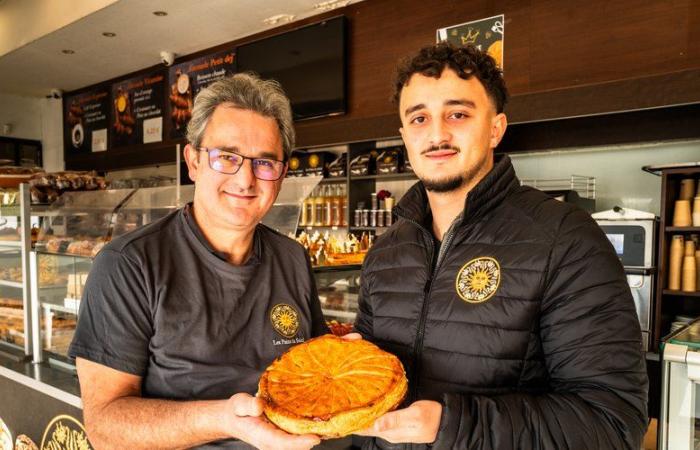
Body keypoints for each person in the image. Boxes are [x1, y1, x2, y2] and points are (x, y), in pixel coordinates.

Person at [353, 43, 648, 449]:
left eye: (458, 114)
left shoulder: (566, 238)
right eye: (419, 118)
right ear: (404, 136)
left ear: (496, 128)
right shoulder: (385, 252)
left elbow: (612, 424)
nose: (437, 134)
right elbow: (365, 403)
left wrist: (451, 427)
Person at [68, 73, 327, 450]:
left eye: (265, 163)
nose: (245, 180)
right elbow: (105, 427)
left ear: (282, 175)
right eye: (227, 157)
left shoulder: (293, 258)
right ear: (193, 162)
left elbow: (314, 374)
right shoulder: (128, 264)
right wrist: (225, 419)